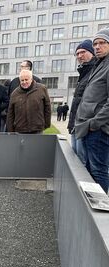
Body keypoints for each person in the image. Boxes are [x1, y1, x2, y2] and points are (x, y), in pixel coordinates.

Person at [75, 28, 109, 193]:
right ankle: (92, 209)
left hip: (98, 130)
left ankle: (100, 212)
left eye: (102, 43)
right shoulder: (100, 64)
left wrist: (94, 123)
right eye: (95, 43)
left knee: (98, 170)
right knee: (89, 169)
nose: (97, 46)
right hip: (89, 128)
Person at [67, 39, 95, 158]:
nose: (80, 55)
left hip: (85, 127)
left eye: (83, 52)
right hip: (76, 125)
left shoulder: (95, 71)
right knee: (76, 161)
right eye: (77, 53)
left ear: (92, 52)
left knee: (84, 164)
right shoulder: (83, 72)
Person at [6, 69, 51, 134]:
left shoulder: (42, 89)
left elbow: (47, 108)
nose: (24, 82)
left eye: (26, 80)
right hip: (20, 130)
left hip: (37, 129)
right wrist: (11, 130)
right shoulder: (14, 94)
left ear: (31, 79)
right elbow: (10, 113)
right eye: (22, 80)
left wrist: (46, 124)